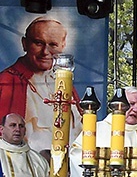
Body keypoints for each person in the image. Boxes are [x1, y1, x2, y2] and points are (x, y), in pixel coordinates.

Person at [0, 17, 82, 156]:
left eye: (53, 44)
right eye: (38, 43)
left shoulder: (64, 82)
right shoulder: (6, 81)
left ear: (62, 46)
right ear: (24, 44)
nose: (45, 52)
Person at [69, 86, 137, 177]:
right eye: (131, 104)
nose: (136, 109)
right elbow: (76, 155)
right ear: (119, 105)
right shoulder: (95, 130)